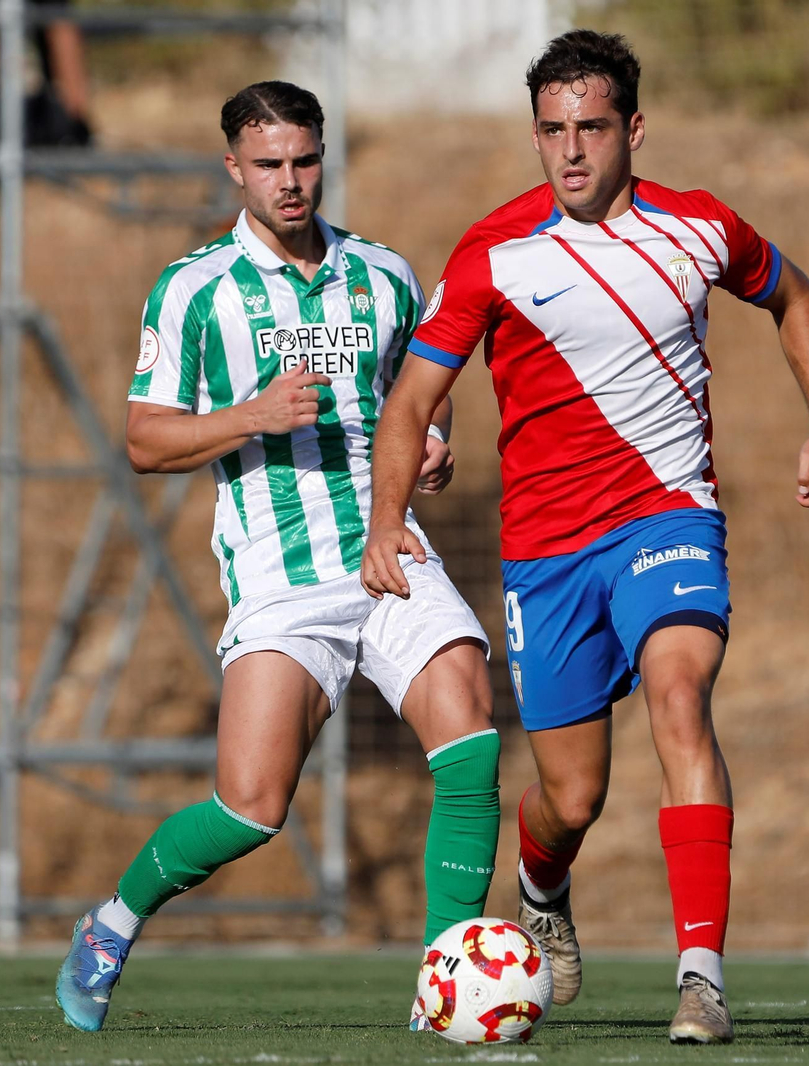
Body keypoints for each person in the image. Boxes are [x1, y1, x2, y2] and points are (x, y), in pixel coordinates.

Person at [361, 30, 809, 1046]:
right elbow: (412, 399)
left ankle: (700, 978)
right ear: (534, 136)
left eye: (591, 128)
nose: (572, 151)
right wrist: (383, 522)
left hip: (668, 517)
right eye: (552, 131)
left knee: (681, 698)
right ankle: (542, 885)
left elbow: (792, 295)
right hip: (545, 555)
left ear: (632, 128)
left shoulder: (700, 228)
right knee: (570, 795)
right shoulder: (494, 250)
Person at [55, 81, 499, 1034]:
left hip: (387, 550)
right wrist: (249, 417)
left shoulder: (382, 274)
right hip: (279, 579)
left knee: (469, 733)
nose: (290, 183)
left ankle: (443, 990)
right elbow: (143, 439)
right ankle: (112, 922)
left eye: (304, 161)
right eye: (269, 166)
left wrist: (431, 443)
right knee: (252, 808)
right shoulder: (194, 290)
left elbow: (421, 393)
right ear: (234, 168)